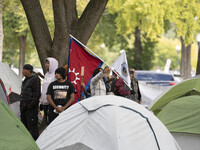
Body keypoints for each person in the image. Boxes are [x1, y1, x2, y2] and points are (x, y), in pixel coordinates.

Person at [20, 64, 41, 140]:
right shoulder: (26, 79)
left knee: (32, 127)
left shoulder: (35, 79)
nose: (23, 71)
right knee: (24, 126)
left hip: (31, 108)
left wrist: (30, 105)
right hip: (24, 107)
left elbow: (37, 94)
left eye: (25, 70)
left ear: (29, 71)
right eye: (23, 70)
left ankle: (35, 142)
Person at [38, 57, 58, 125]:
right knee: (46, 120)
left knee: (51, 120)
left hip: (51, 102)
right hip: (45, 102)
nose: (46, 64)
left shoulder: (56, 75)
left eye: (48, 63)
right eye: (46, 63)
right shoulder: (47, 74)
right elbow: (45, 87)